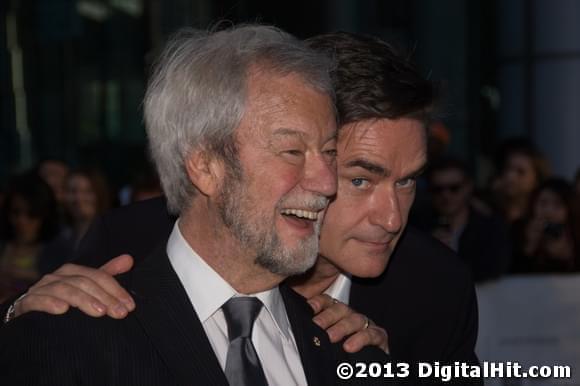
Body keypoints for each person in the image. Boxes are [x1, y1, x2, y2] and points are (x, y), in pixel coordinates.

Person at [4, 31, 481, 384]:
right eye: (360, 177)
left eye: (408, 182)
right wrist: (18, 317)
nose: (391, 218)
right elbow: (61, 351)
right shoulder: (133, 243)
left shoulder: (434, 289)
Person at [419, 157, 511, 282]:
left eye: (454, 188)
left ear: (468, 187)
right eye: (438, 189)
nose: (446, 195)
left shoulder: (490, 227)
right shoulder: (418, 228)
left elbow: (493, 269)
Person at [38, 167, 112, 274]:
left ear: (99, 194)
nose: (79, 198)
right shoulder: (57, 236)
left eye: (87, 191)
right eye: (72, 191)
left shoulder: (112, 233)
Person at [0, 173, 58, 302]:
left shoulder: (57, 248)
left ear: (44, 215)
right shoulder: (3, 244)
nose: (22, 220)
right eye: (16, 212)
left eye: (31, 214)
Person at [511, 178, 580, 273]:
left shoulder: (575, 234)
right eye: (543, 203)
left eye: (557, 204)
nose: (548, 211)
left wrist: (565, 257)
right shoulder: (518, 230)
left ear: (569, 209)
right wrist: (529, 247)